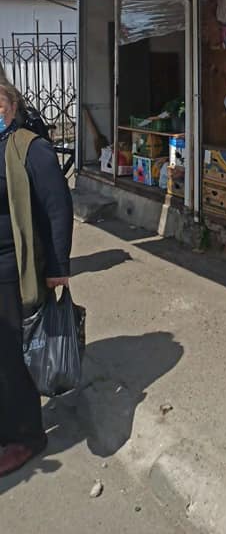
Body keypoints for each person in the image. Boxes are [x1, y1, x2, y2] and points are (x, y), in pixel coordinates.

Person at [0, 81, 74, 476]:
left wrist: (58, 268)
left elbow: (58, 207)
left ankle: (27, 436)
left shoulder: (31, 147)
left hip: (13, 269)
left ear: (12, 106)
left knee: (11, 358)